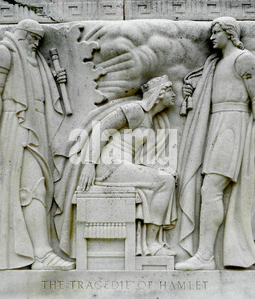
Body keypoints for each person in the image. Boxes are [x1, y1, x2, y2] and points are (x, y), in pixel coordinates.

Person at [176, 17, 255, 270]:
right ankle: (212, 253)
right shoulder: (215, 64)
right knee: (211, 189)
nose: (211, 37)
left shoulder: (244, 59)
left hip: (234, 125)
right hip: (217, 125)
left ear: (230, 33)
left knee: (211, 189)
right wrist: (192, 95)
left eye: (216, 31)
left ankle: (206, 255)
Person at [0, 19, 75, 270]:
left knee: (39, 188)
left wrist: (56, 79)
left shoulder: (36, 59)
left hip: (37, 126)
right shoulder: (3, 51)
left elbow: (42, 93)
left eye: (39, 39)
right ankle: (41, 254)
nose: (36, 43)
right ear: (21, 34)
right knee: (33, 188)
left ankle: (40, 251)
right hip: (15, 126)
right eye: (32, 37)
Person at [53, 75, 177, 257]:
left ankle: (154, 240)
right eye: (170, 90)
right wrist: (89, 164)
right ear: (159, 94)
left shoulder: (150, 119)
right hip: (110, 167)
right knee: (165, 182)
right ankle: (152, 243)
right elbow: (100, 129)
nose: (174, 95)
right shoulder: (136, 110)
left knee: (167, 177)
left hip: (122, 166)